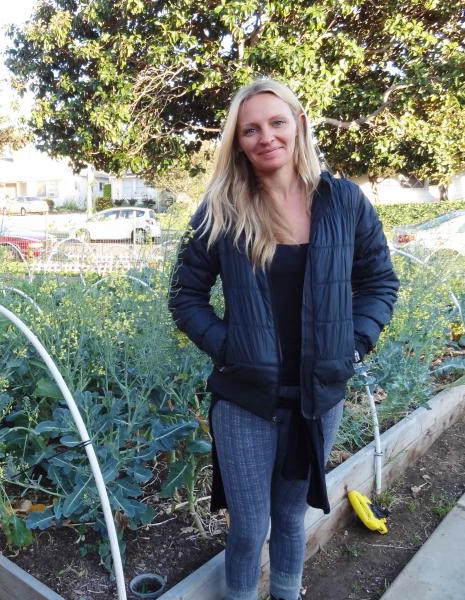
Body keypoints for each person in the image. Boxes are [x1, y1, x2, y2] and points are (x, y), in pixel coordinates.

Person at [168, 78, 399, 600]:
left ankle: (289, 594)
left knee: (293, 518)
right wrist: (231, 350)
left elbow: (379, 281)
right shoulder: (221, 210)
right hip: (246, 400)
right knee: (249, 528)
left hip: (316, 398)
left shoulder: (344, 202)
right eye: (250, 129)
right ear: (238, 141)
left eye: (277, 122)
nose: (265, 136)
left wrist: (354, 344)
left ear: (299, 124)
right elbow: (185, 295)